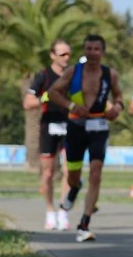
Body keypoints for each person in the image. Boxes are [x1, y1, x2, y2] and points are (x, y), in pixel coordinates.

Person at [47, 34, 124, 243]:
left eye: (96, 49)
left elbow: (119, 97)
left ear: (102, 52)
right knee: (72, 176)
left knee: (96, 172)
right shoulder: (74, 71)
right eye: (88, 49)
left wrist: (116, 108)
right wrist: (71, 106)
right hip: (76, 127)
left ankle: (84, 223)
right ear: (84, 50)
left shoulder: (110, 74)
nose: (92, 53)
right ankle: (74, 188)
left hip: (99, 126)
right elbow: (53, 92)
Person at [25, 40, 73, 229]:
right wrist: (45, 97)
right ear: (52, 55)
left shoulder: (73, 75)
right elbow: (28, 103)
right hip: (49, 127)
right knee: (48, 173)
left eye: (68, 54)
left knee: (70, 171)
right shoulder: (43, 76)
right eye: (62, 54)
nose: (66, 58)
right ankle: (50, 210)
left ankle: (63, 211)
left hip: (70, 126)